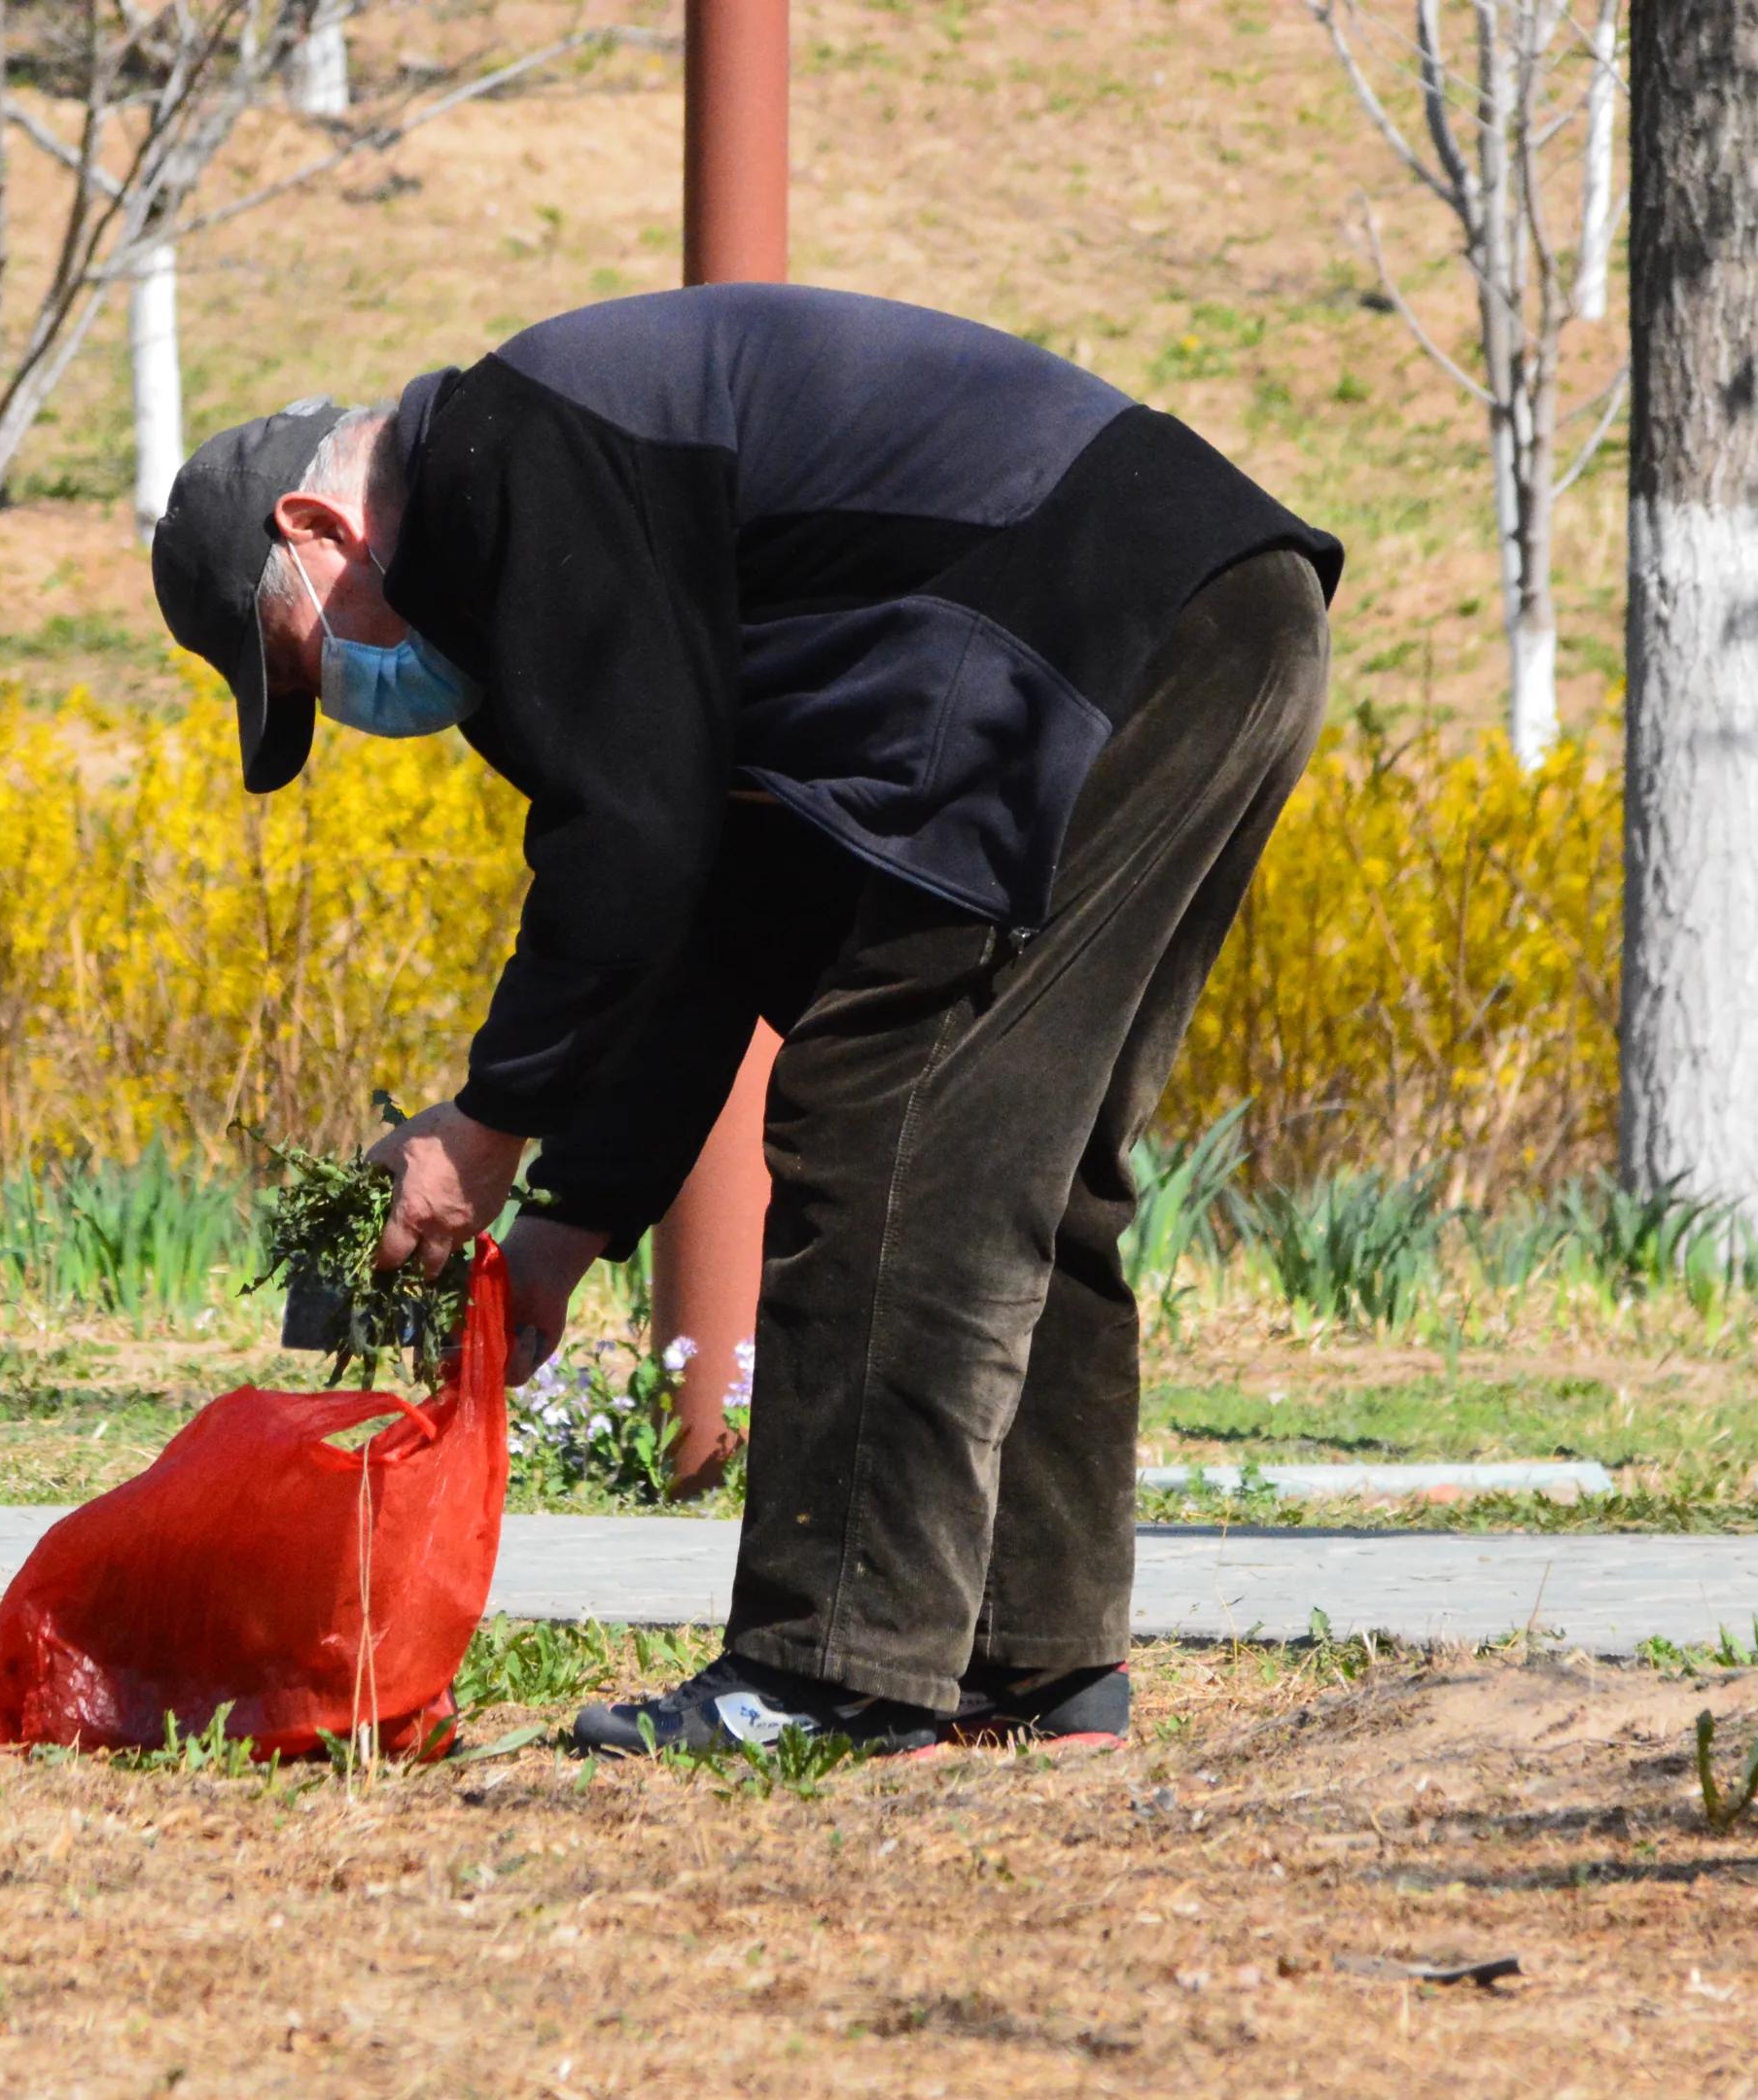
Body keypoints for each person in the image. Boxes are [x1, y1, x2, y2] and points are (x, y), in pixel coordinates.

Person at [151, 286, 1339, 1759]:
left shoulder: (508, 460)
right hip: (1224, 616)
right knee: (1016, 1155)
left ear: (318, 529)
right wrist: (562, 1229)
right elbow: (703, 918)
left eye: (303, 661)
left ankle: (833, 1672)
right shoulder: (553, 505)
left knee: (883, 1119)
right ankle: (1033, 1659)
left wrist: (484, 1128)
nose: (344, 702)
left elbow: (635, 849)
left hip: (1096, 630)